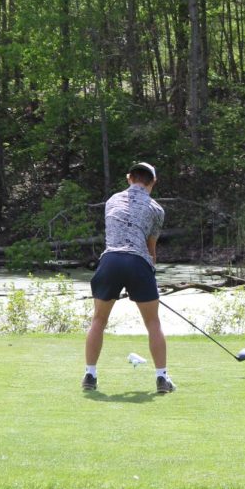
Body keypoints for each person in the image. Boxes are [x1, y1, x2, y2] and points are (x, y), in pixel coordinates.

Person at [82, 161, 174, 394]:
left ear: (129, 178)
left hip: (110, 260)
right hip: (138, 262)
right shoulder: (156, 209)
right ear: (153, 182)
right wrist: (148, 274)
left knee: (98, 321)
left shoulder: (112, 200)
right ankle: (162, 378)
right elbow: (150, 248)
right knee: (152, 322)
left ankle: (90, 375)